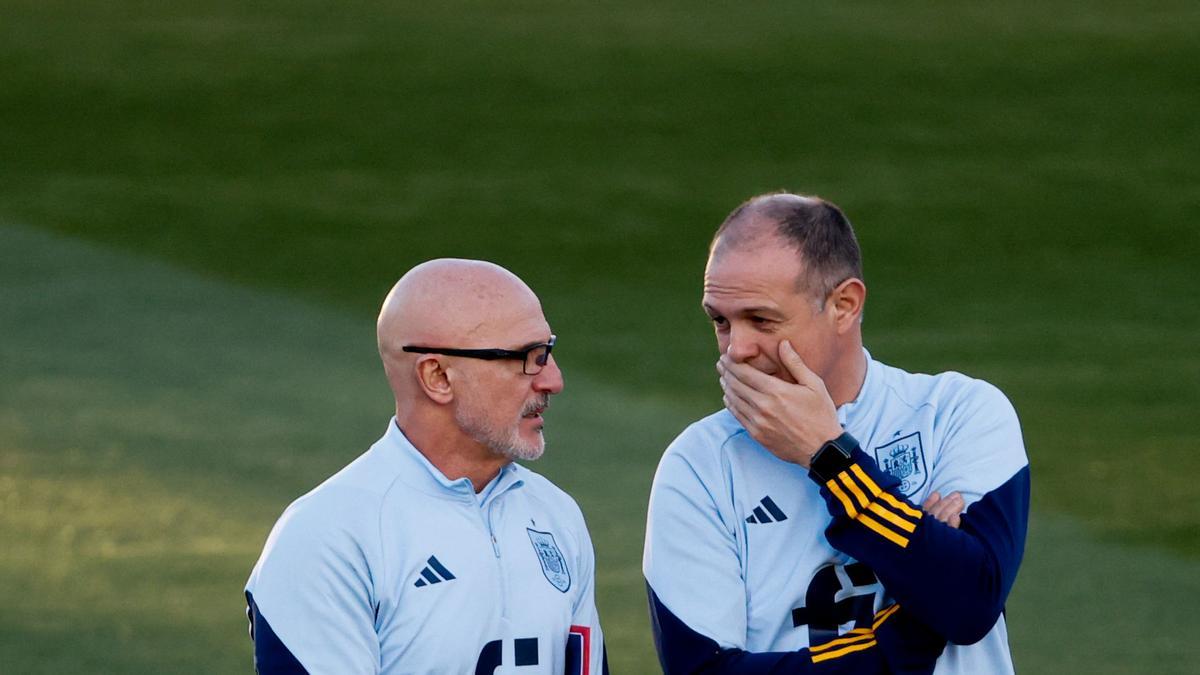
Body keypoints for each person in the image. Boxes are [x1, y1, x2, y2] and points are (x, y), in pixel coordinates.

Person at [643, 193, 1029, 674]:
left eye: (761, 320)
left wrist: (830, 458)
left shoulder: (957, 414)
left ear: (844, 305)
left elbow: (970, 603)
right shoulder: (698, 466)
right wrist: (905, 637)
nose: (735, 350)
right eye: (720, 321)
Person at [245, 259, 607, 674]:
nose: (553, 380)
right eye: (527, 357)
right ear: (437, 376)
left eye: (548, 352)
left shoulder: (556, 516)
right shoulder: (328, 537)